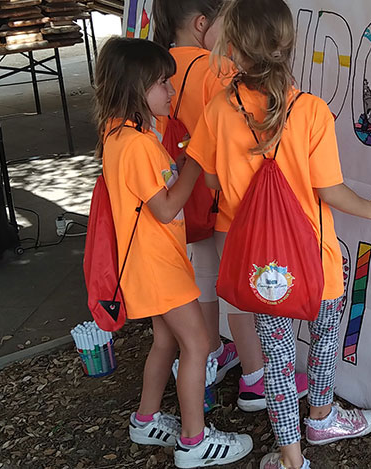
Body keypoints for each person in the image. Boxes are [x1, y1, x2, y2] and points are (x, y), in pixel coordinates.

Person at [189, 0, 371, 469]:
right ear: (287, 45)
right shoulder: (310, 111)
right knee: (325, 337)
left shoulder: (219, 110)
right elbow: (329, 189)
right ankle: (322, 417)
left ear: (233, 49)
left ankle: (290, 458)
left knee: (278, 360)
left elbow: (212, 182)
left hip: (261, 268)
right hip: (317, 259)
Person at [151, 0, 309, 411]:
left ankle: (209, 357)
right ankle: (256, 379)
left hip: (176, 189)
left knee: (205, 279)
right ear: (203, 24)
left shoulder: (158, 65)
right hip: (219, 195)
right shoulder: (213, 69)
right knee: (239, 284)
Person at [92, 36, 252, 467]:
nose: (171, 90)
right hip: (159, 267)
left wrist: (179, 165)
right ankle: (194, 442)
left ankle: (145, 420)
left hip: (149, 265)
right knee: (197, 345)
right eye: (162, 82)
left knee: (165, 341)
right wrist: (195, 162)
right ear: (135, 87)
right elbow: (164, 208)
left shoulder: (119, 134)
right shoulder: (138, 145)